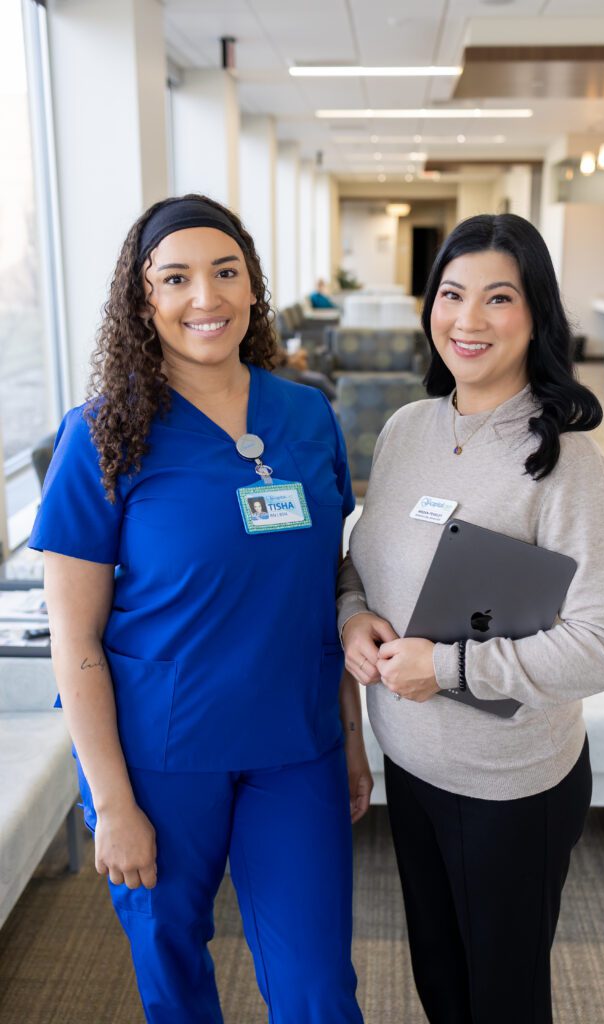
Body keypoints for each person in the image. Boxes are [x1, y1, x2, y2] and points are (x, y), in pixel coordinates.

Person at [30, 194, 370, 1024]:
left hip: (296, 747)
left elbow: (326, 582)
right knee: (173, 972)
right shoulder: (104, 433)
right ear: (142, 301)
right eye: (174, 279)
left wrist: (354, 736)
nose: (204, 298)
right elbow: (74, 641)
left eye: (224, 273)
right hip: (159, 759)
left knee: (319, 987)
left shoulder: (306, 415)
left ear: (253, 287)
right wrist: (111, 805)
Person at [338, 213, 604, 1024]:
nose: (467, 321)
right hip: (409, 760)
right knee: (439, 979)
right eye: (451, 293)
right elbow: (362, 560)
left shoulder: (567, 462)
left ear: (536, 313)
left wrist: (441, 669)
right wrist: (351, 615)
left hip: (509, 785)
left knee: (501, 999)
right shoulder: (407, 430)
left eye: (497, 298)